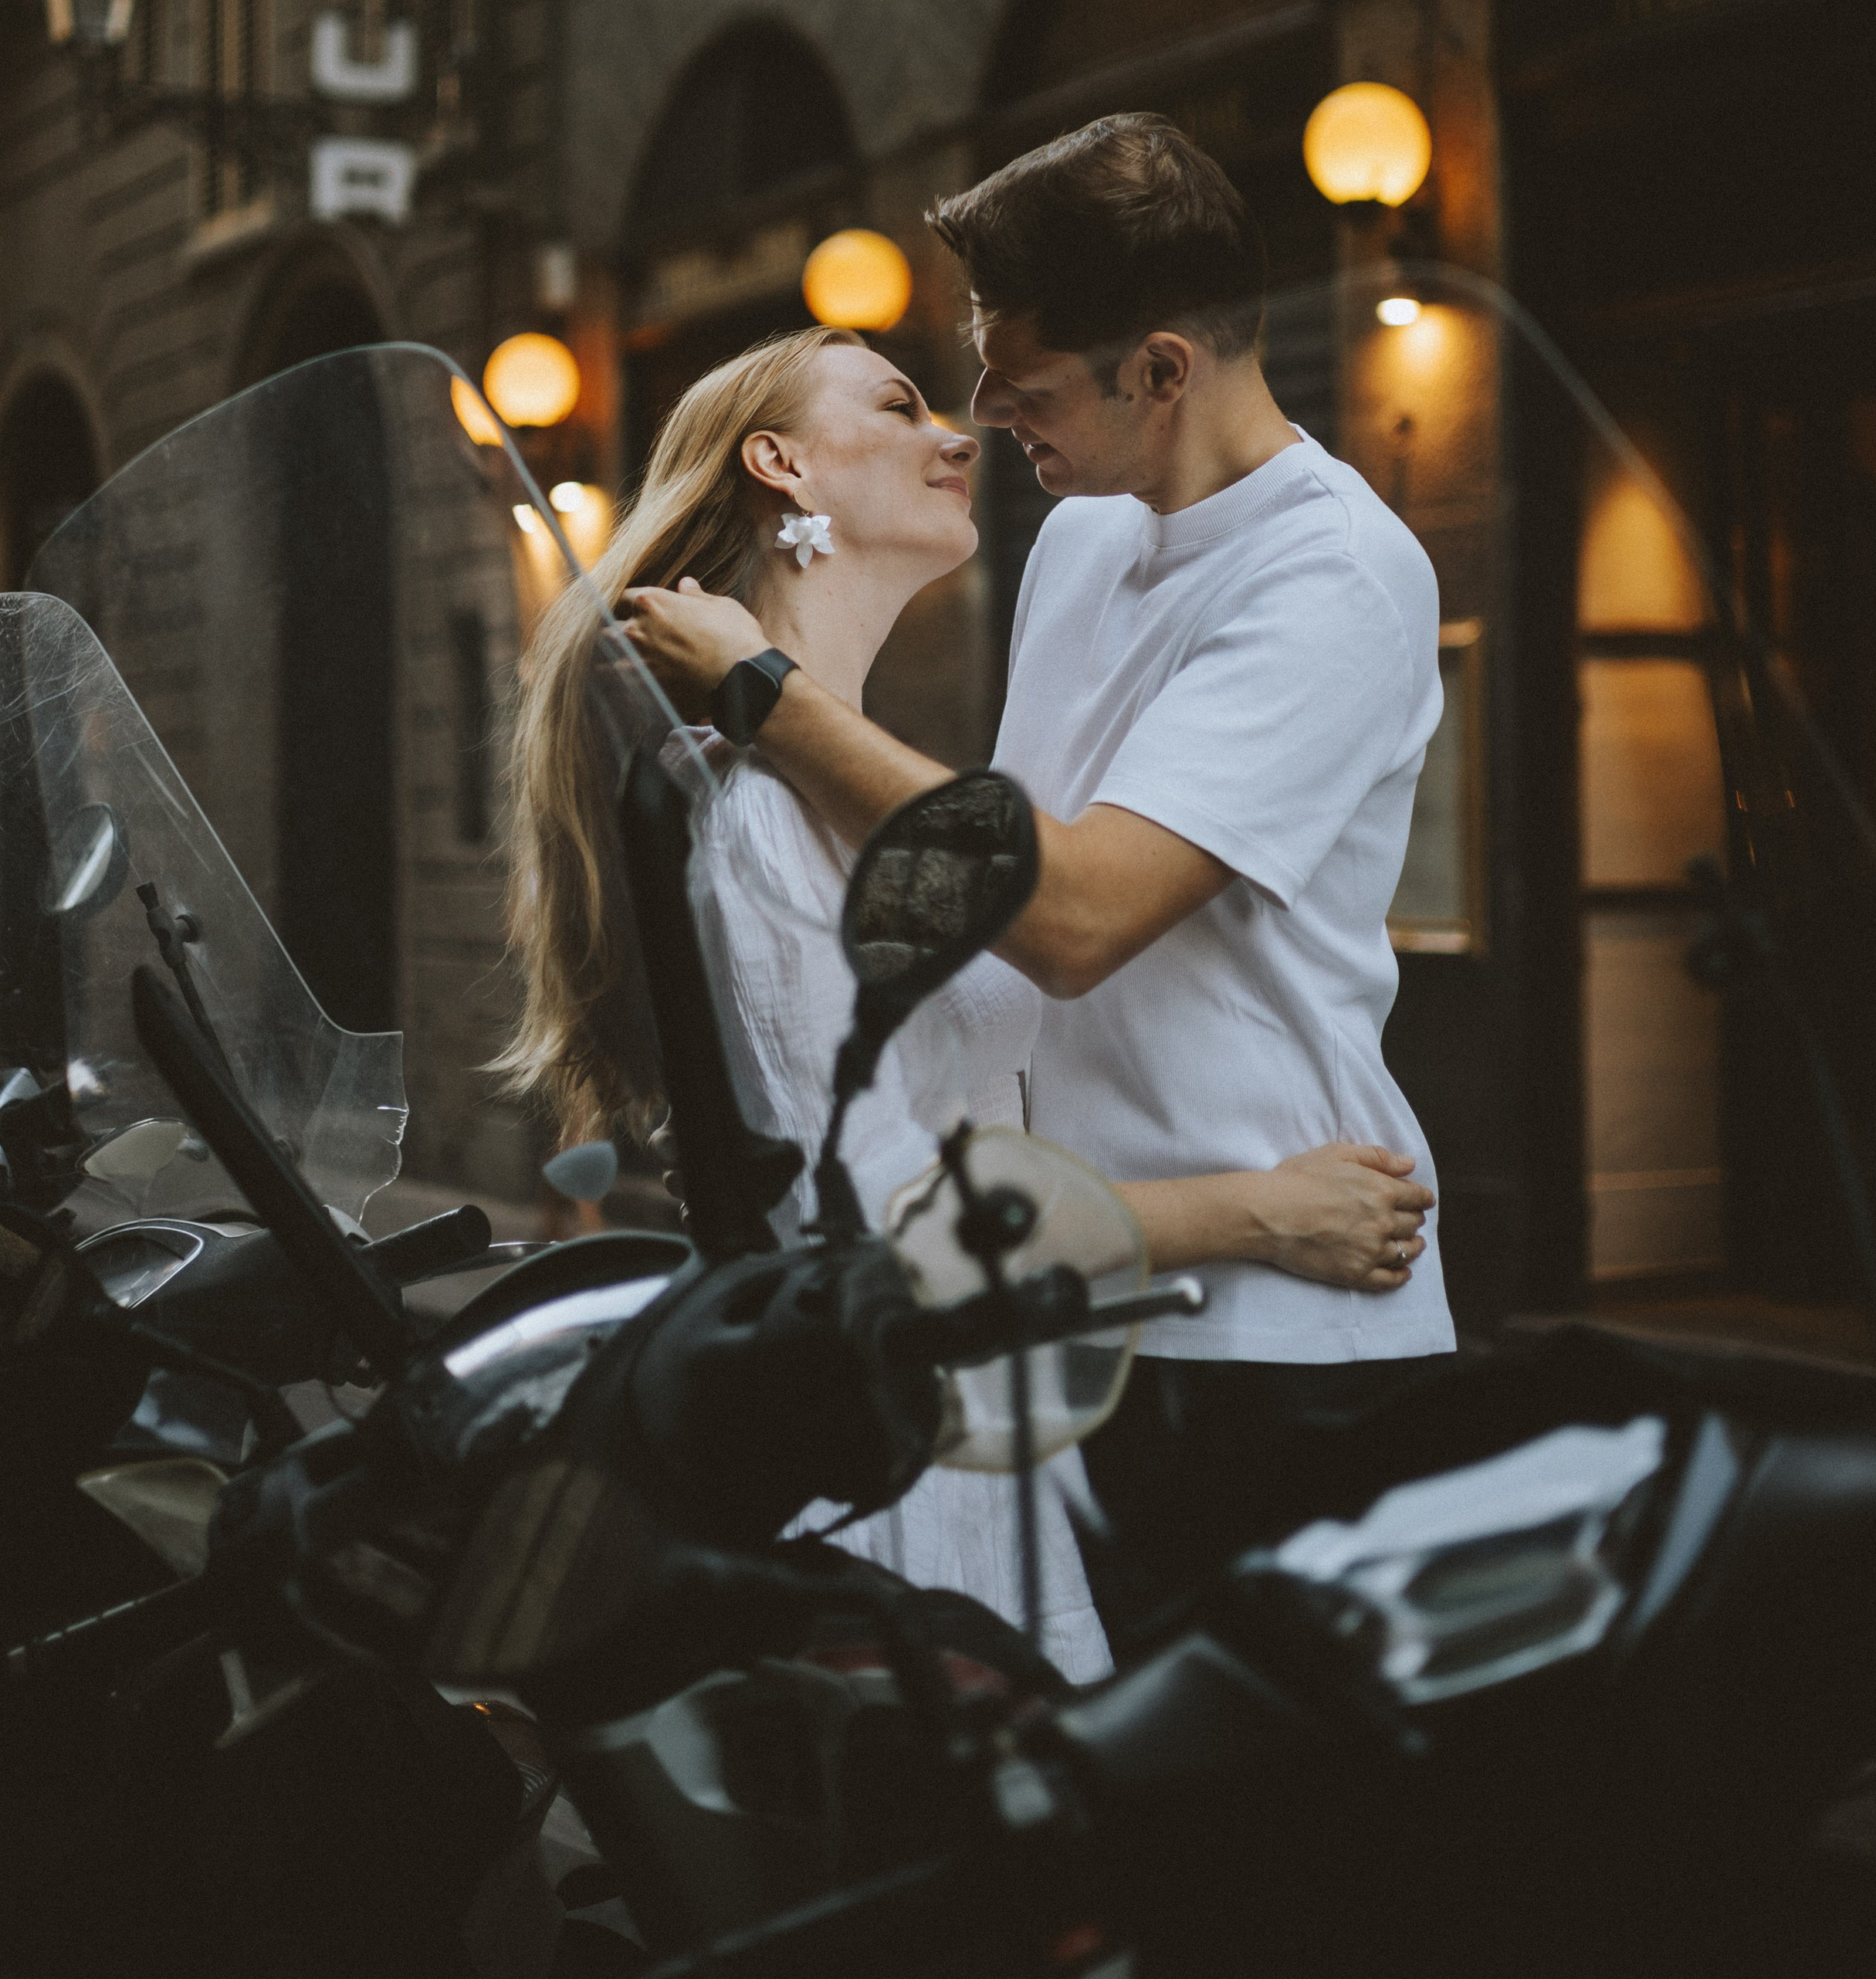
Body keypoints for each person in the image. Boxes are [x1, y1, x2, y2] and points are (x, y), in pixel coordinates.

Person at [618, 117, 1455, 1645]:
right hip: (1046, 1300)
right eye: (973, 366)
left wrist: (773, 703)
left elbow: (1069, 917)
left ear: (1161, 370)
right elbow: (978, 905)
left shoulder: (1331, 573)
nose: (985, 413)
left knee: (1243, 1775)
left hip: (1270, 1323)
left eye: (1028, 382)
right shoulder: (1078, 543)